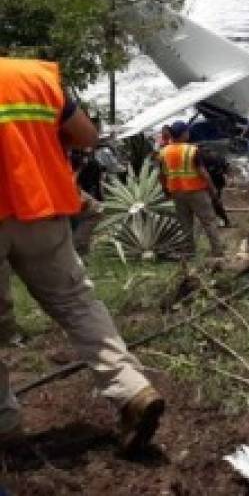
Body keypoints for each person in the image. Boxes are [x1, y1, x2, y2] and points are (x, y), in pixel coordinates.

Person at [0, 57, 164, 452]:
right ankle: (131, 389)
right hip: (42, 209)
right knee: (76, 303)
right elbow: (87, 136)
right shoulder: (34, 77)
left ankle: (5, 426)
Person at [158, 121, 225, 258]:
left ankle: (189, 251)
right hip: (196, 191)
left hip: (177, 192)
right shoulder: (192, 150)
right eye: (187, 131)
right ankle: (217, 250)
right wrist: (213, 192)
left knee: (185, 223)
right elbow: (203, 173)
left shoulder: (164, 152)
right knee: (208, 221)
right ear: (183, 134)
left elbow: (162, 174)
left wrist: (165, 191)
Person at [198, 145, 232, 227]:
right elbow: (227, 167)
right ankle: (222, 220)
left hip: (212, 182)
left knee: (214, 202)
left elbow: (226, 167)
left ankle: (225, 221)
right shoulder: (217, 156)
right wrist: (229, 177)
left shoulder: (202, 159)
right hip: (217, 181)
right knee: (214, 201)